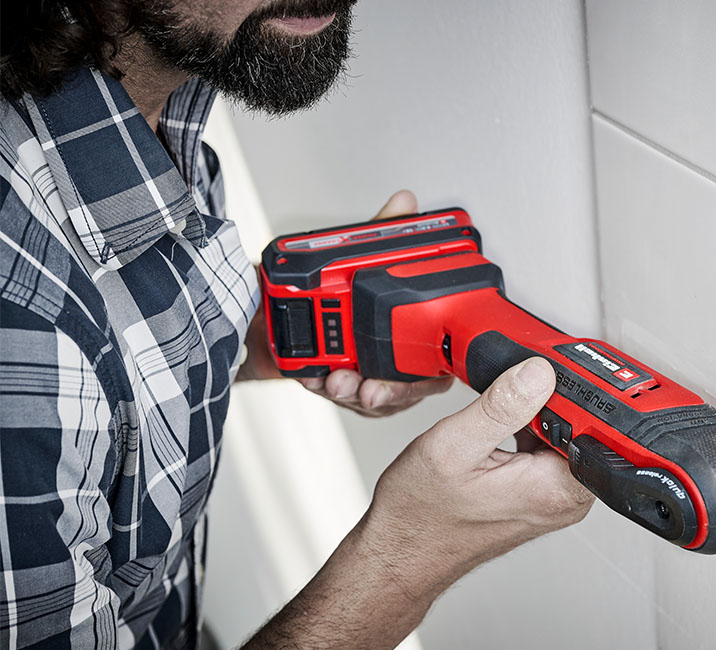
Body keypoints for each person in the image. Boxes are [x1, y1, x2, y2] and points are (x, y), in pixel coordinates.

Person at [0, 1, 594, 648]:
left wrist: (278, 337)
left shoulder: (151, 95)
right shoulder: (19, 325)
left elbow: (106, 356)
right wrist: (409, 558)